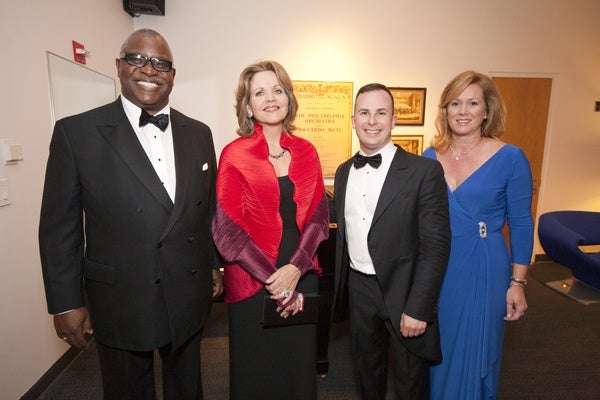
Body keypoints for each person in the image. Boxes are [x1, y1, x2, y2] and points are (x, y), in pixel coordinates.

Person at [39, 29, 223, 400]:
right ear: (120, 66)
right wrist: (66, 303)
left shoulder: (199, 133)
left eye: (161, 64)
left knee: (187, 387)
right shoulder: (76, 133)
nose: (149, 71)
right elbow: (60, 229)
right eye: (137, 59)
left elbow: (207, 210)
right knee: (126, 390)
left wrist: (214, 265)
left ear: (173, 74)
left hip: (187, 289)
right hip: (120, 297)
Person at [211, 60, 329, 399]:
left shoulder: (307, 151)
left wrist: (294, 270)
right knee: (256, 372)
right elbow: (226, 230)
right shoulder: (234, 154)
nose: (270, 98)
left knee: (296, 368)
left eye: (277, 90)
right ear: (248, 105)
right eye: (259, 92)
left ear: (289, 98)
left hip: (301, 273)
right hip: (252, 280)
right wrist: (274, 279)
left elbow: (319, 219)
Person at [332, 83, 451, 400]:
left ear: (394, 119)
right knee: (366, 374)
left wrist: (419, 308)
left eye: (381, 112)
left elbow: (436, 248)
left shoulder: (424, 172)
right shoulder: (343, 172)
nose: (372, 121)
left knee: (410, 382)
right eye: (364, 113)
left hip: (405, 292)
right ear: (353, 119)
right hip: (359, 290)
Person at [423, 70, 534, 399]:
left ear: (487, 110)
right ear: (445, 110)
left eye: (472, 103)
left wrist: (518, 283)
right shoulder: (429, 158)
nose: (462, 110)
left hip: (484, 266)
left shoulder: (510, 158)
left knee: (474, 346)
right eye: (455, 103)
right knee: (435, 346)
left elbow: (522, 223)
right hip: (439, 266)